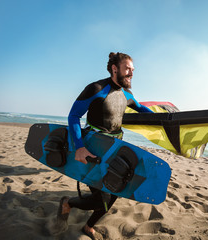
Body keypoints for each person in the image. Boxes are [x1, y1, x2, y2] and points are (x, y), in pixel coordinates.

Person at [57, 52, 153, 240]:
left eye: (133, 70)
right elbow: (74, 116)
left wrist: (168, 120)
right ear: (114, 68)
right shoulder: (96, 88)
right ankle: (68, 203)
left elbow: (141, 109)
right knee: (103, 199)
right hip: (93, 150)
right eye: (127, 69)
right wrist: (79, 147)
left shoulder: (127, 94)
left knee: (114, 193)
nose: (131, 73)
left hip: (114, 150)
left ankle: (88, 225)